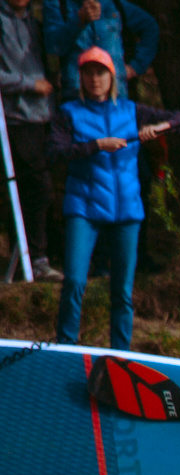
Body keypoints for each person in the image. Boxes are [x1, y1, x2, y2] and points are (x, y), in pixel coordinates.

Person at [46, 45, 180, 348]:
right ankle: (66, 346)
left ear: (112, 77)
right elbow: (55, 153)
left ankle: (121, 355)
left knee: (122, 291)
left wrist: (161, 127)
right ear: (80, 78)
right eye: (88, 73)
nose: (95, 79)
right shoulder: (68, 114)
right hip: (84, 207)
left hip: (127, 210)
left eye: (101, 72)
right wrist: (96, 145)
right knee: (75, 282)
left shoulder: (133, 110)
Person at [1, 0, 60, 283]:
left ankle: (30, 256)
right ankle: (34, 258)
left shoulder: (37, 22)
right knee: (36, 187)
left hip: (44, 116)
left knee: (39, 188)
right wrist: (28, 83)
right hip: (14, 118)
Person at [42, 0, 152, 79]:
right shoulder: (57, 4)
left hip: (116, 93)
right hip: (77, 96)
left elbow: (150, 27)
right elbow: (54, 47)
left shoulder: (114, 4)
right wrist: (79, 20)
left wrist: (136, 67)